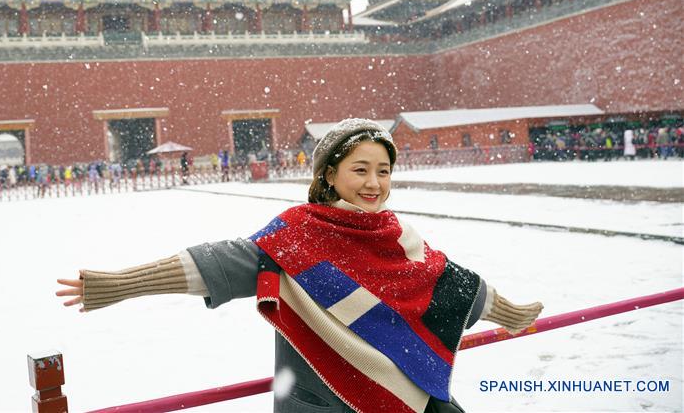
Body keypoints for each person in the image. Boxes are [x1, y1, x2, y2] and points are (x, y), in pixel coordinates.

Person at [56, 119, 543, 412]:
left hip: (409, 400)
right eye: (360, 170)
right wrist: (118, 284)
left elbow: (454, 288)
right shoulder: (299, 235)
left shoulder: (399, 238)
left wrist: (511, 313)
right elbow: (224, 262)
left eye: (383, 171)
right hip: (322, 403)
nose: (374, 183)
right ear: (329, 174)